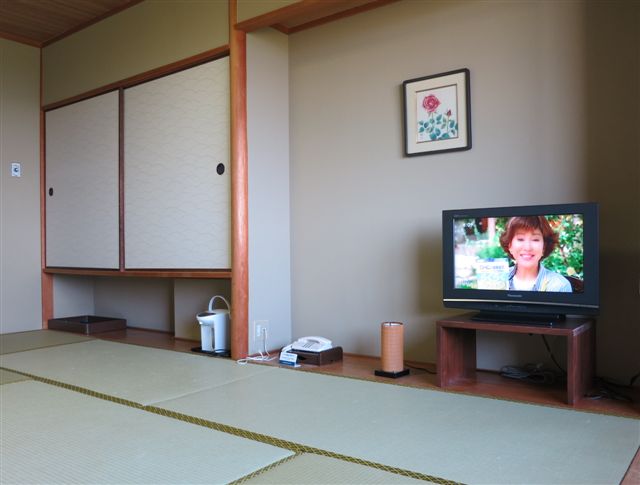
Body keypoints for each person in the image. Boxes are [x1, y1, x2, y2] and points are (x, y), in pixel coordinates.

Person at [499, 216, 572, 292]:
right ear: (510, 245)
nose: (527, 247)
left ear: (544, 247)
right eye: (520, 239)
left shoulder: (559, 286)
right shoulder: (496, 280)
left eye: (535, 239)